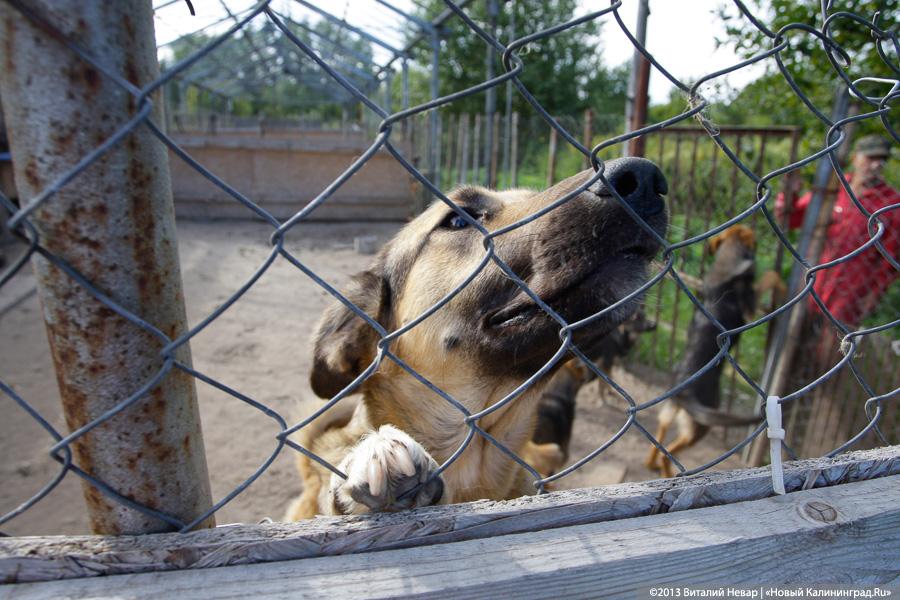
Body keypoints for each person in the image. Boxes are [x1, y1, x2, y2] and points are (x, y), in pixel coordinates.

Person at [776, 135, 899, 330]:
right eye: (870, 158)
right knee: (797, 333)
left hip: (850, 292)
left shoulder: (891, 203)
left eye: (881, 159)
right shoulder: (835, 189)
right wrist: (789, 197)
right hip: (813, 278)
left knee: (830, 349)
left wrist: (873, 295)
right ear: (855, 159)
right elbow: (792, 220)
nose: (876, 165)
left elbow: (890, 261)